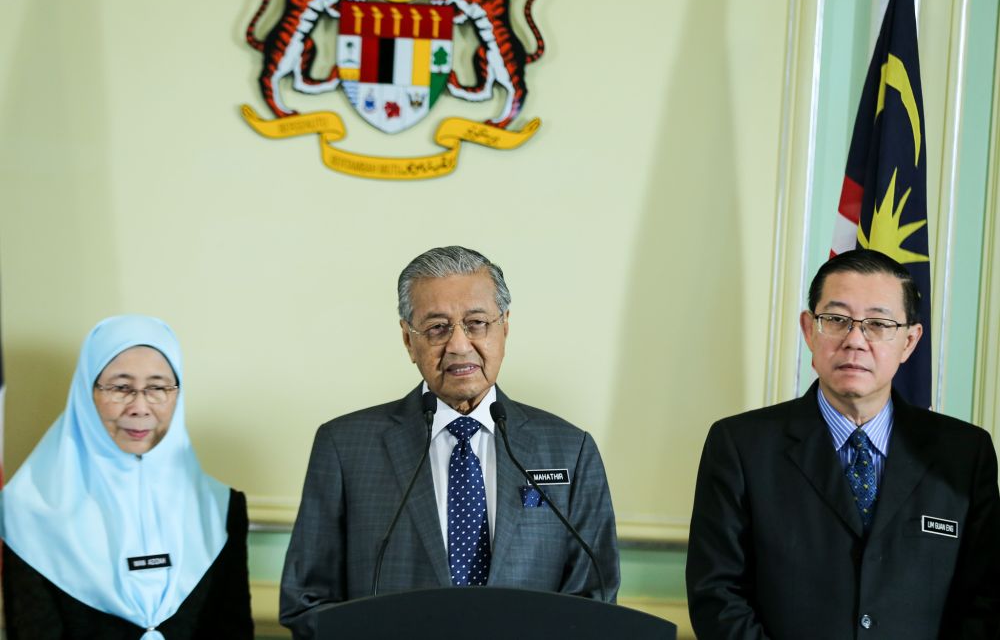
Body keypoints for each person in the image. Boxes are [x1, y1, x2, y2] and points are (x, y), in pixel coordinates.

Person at [280, 246, 620, 637]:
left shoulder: (570, 450)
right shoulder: (345, 447)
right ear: (409, 340)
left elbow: (595, 601)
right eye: (438, 328)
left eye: (476, 322)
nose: (459, 344)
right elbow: (306, 601)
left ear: (504, 327)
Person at [686, 249, 1000, 639]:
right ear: (808, 329)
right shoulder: (740, 446)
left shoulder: (965, 455)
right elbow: (717, 595)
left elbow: (986, 601)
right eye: (836, 320)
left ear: (909, 341)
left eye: (878, 324)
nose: (855, 340)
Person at [0, 315, 254, 639]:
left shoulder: (220, 507)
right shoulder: (27, 509)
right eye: (121, 388)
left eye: (158, 388)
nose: (139, 407)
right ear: (85, 392)